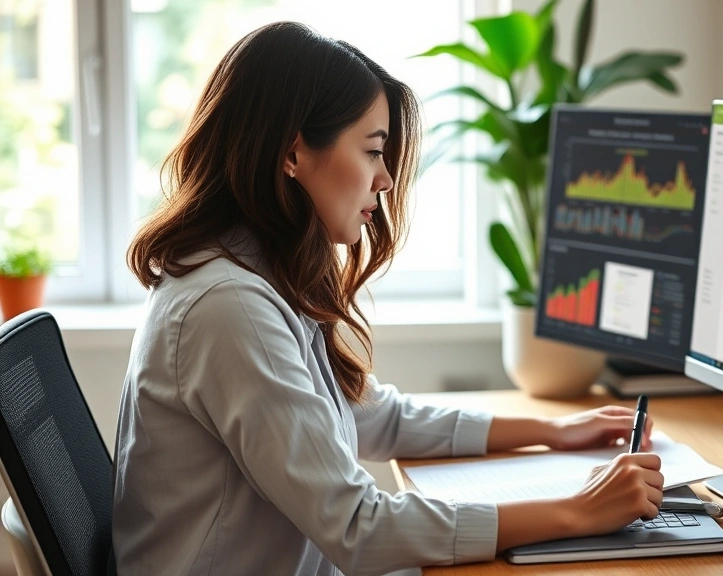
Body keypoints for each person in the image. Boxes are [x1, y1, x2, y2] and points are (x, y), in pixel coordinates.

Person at [112, 21, 664, 576]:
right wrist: (577, 511)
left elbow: (370, 415)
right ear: (292, 153)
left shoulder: (251, 273)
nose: (385, 180)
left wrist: (552, 432)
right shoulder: (228, 307)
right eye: (374, 152)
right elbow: (357, 527)